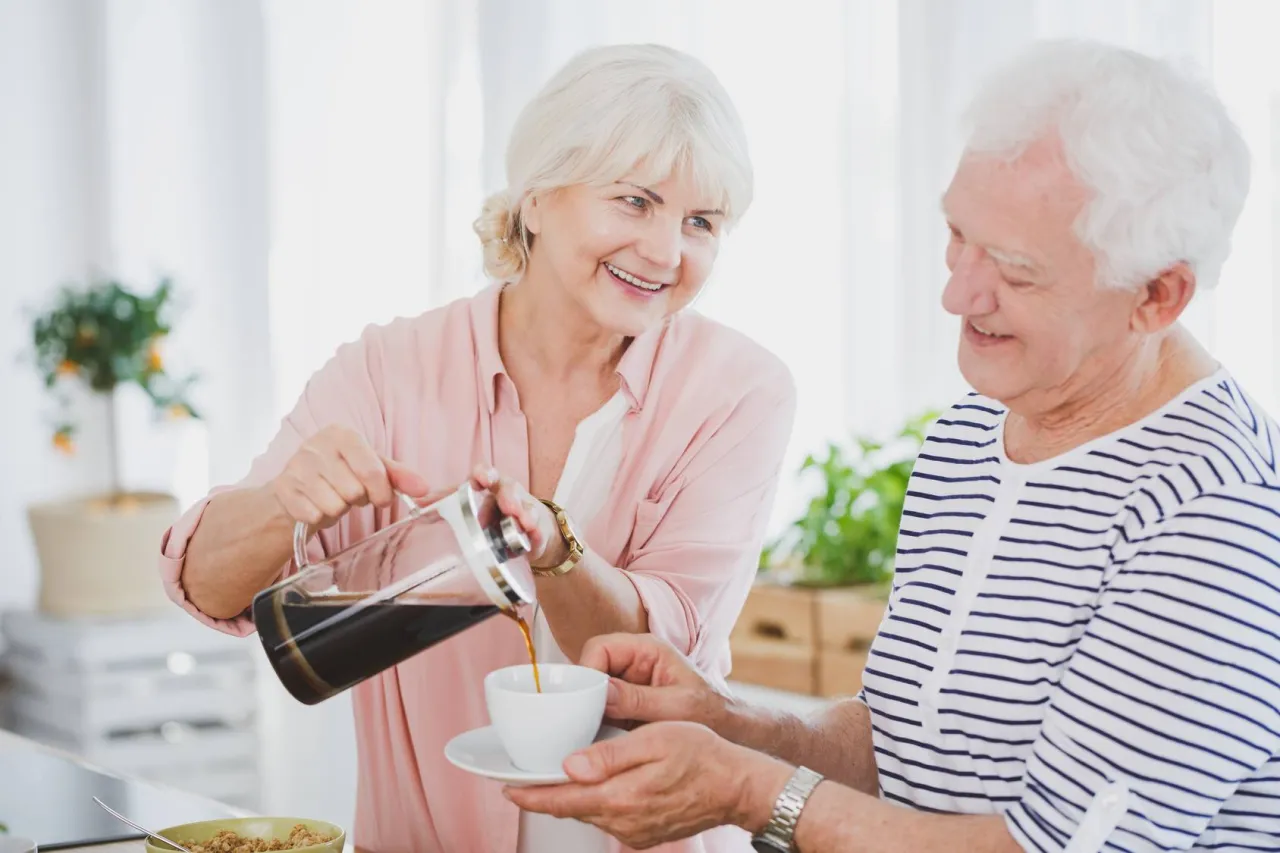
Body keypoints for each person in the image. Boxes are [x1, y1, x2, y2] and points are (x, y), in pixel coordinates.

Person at [508, 39, 1280, 853]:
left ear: (1157, 295)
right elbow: (908, 754)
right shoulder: (971, 435)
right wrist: (733, 723)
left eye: (1015, 272)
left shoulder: (1213, 512)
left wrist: (746, 786)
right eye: (959, 236)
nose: (957, 292)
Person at [158, 44, 796, 853]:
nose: (669, 252)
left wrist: (557, 550)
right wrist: (282, 501)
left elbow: (669, 652)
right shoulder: (389, 371)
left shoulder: (738, 389)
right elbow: (207, 585)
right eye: (635, 201)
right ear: (536, 198)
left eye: (701, 222)